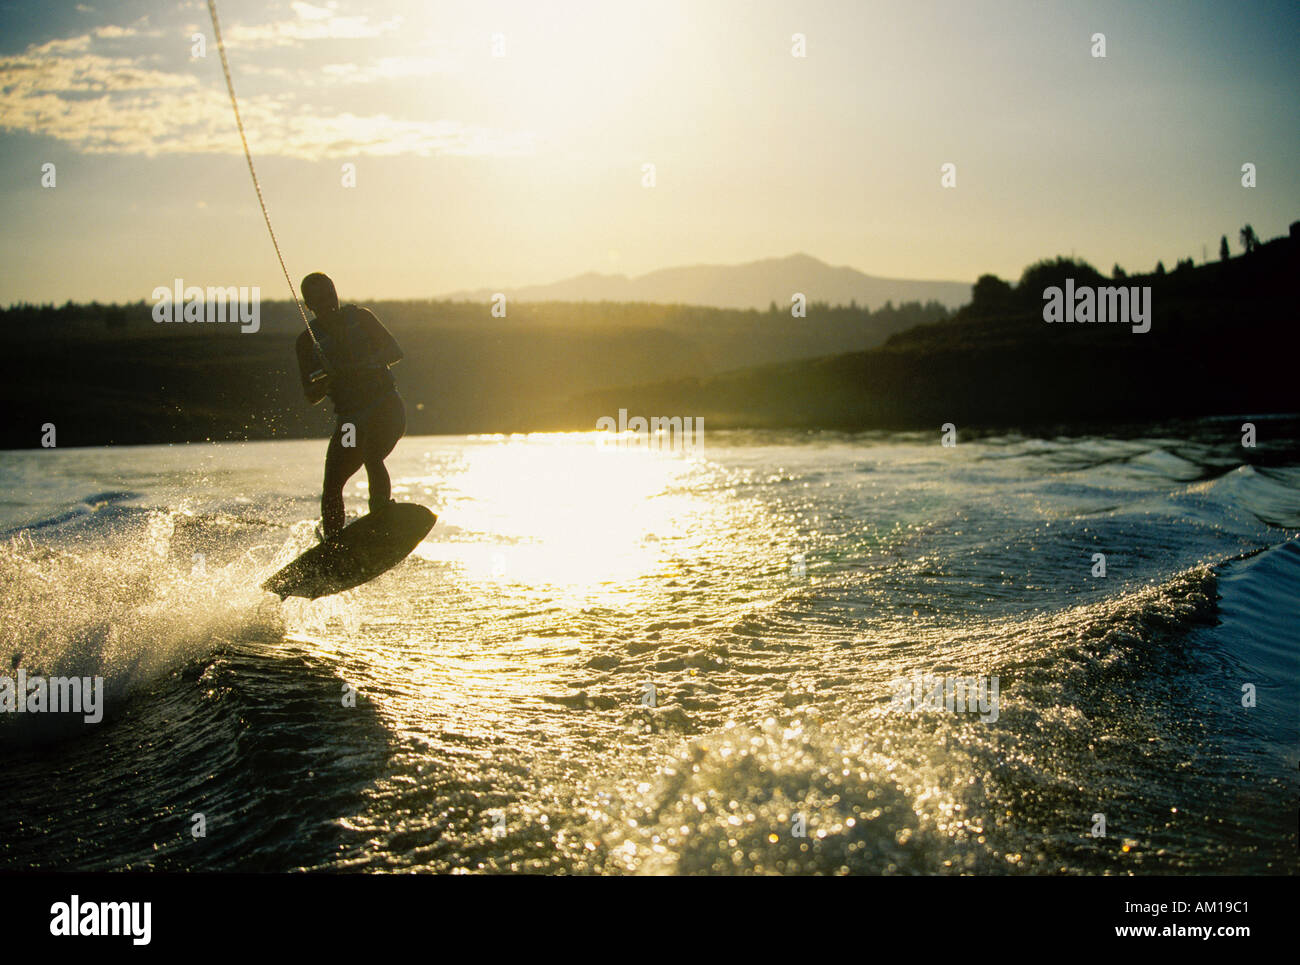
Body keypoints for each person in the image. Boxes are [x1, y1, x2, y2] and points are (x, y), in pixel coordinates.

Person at [294, 272, 405, 540]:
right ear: (309, 305)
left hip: (384, 407)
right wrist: (325, 379)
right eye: (319, 299)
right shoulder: (307, 341)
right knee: (332, 483)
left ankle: (380, 512)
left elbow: (395, 352)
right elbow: (311, 395)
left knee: (371, 454)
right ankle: (333, 545)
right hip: (350, 422)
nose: (328, 302)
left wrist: (360, 365)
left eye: (330, 294)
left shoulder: (362, 318)